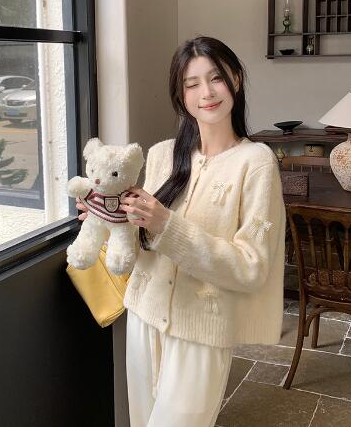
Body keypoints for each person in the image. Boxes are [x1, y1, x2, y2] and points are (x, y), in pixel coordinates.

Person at [77, 36, 285, 427]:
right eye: (192, 84)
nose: (206, 92)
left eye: (216, 78)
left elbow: (251, 267)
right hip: (142, 316)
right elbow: (141, 244)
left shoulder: (256, 162)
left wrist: (166, 225)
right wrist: (107, 218)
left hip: (201, 332)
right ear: (181, 95)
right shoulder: (161, 155)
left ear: (236, 80)